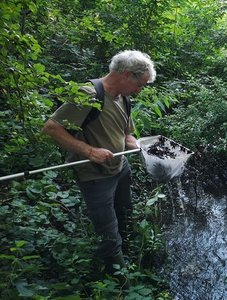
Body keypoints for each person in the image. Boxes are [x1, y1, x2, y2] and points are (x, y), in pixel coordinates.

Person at [42, 50, 156, 288]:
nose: (140, 90)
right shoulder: (89, 94)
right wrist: (89, 151)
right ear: (126, 75)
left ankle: (133, 254)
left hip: (120, 168)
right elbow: (52, 128)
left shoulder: (123, 98)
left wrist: (142, 147)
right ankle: (120, 284)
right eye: (140, 84)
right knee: (108, 231)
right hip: (95, 177)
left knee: (124, 212)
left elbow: (126, 136)